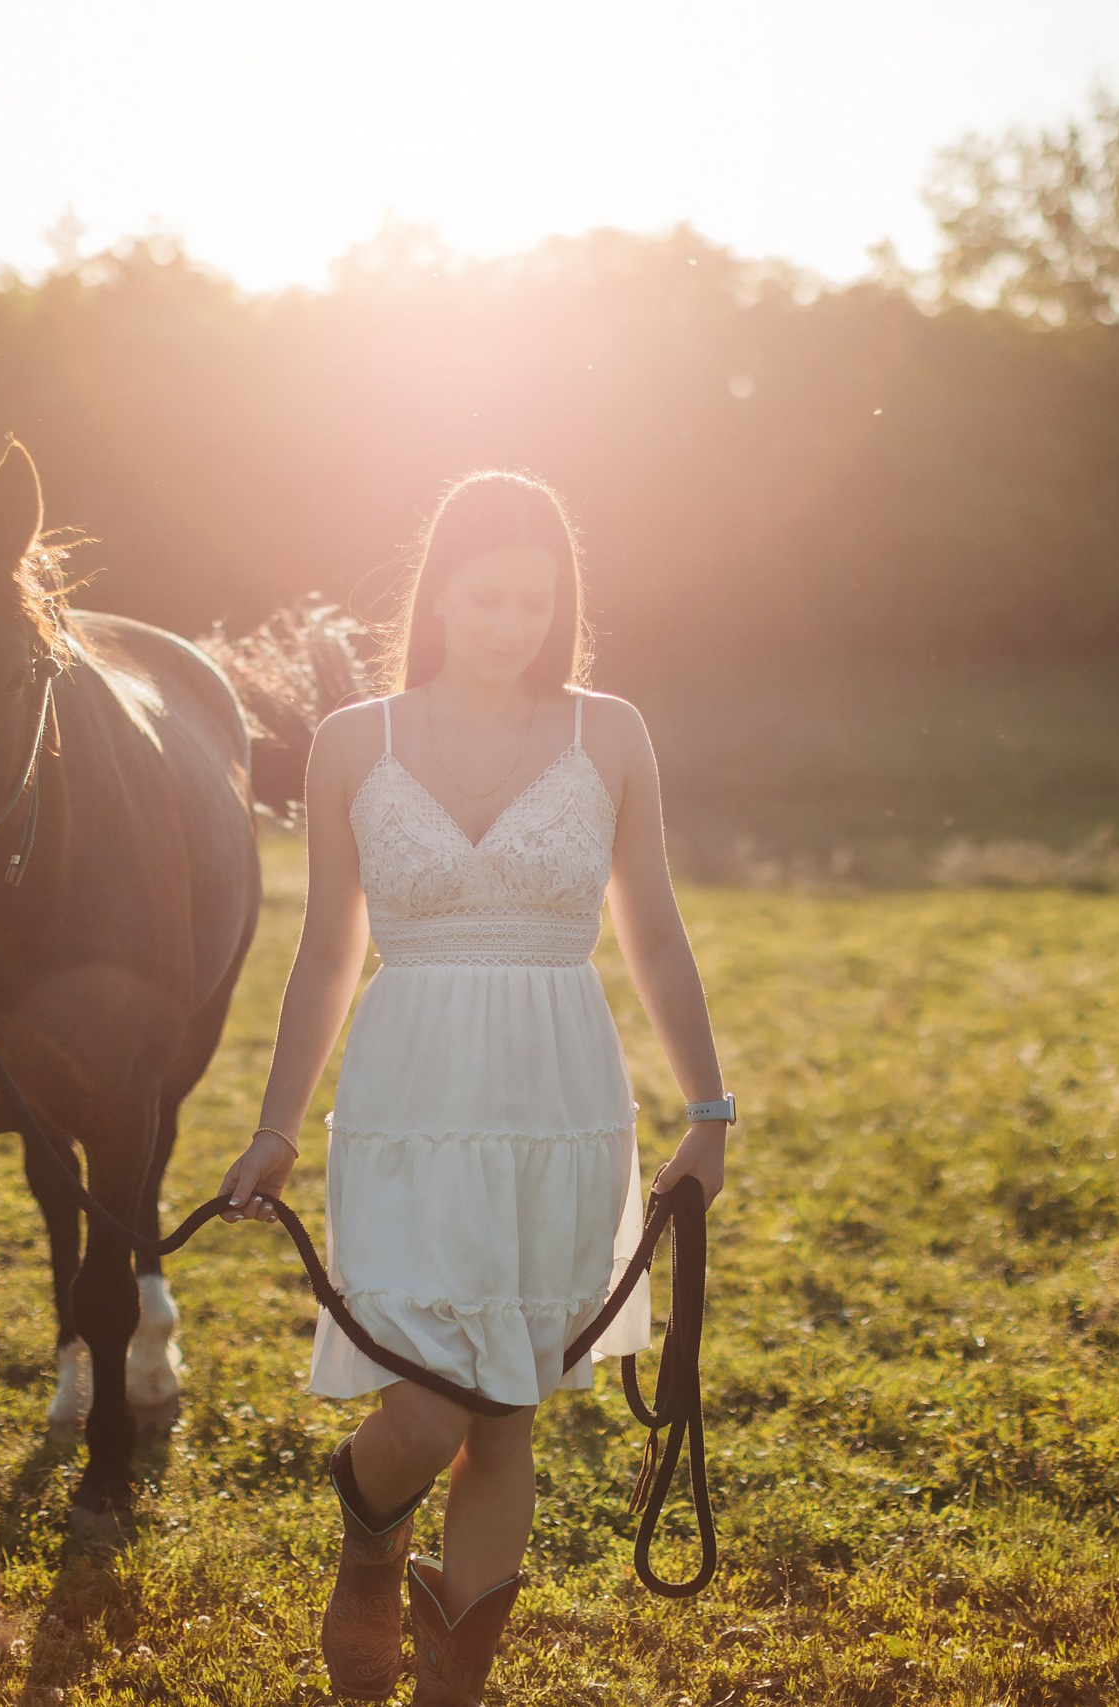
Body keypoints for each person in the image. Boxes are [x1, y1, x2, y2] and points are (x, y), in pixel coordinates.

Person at [217, 469, 734, 1704]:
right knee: (431, 1410)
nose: (512, 625)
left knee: (508, 1410)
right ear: (437, 594)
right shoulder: (356, 743)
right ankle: (368, 1525)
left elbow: (653, 931)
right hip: (406, 1102)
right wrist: (277, 1126)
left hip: (561, 1099)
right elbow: (328, 950)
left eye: (535, 602)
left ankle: (451, 1693)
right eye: (487, 598)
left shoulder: (608, 730)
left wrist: (708, 1112)